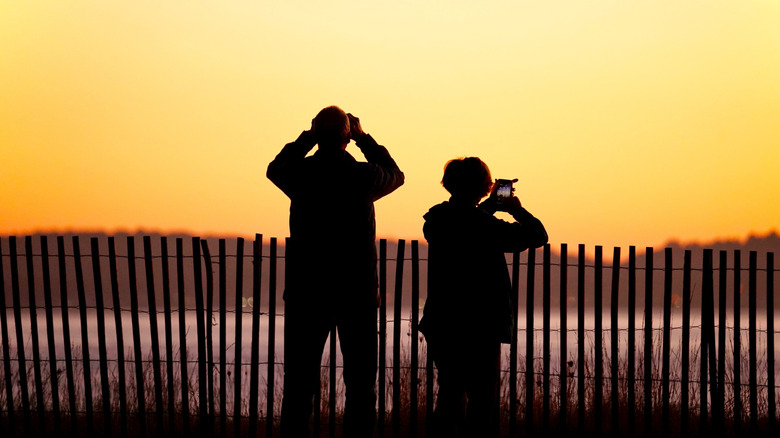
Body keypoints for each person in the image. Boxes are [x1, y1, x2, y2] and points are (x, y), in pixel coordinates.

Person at [267, 106, 404, 437]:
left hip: (307, 290)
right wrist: (363, 138)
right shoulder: (364, 176)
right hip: (355, 291)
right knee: (360, 383)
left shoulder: (301, 174)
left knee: (300, 383)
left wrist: (306, 138)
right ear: (346, 136)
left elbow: (275, 169)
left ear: (316, 134)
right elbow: (396, 174)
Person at [418, 157, 548, 438]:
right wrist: (516, 210)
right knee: (482, 403)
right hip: (481, 325)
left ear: (449, 184)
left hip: (442, 321)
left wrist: (488, 205)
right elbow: (538, 235)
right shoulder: (487, 227)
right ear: (485, 186)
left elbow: (465, 218)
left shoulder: (437, 221)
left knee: (450, 396)